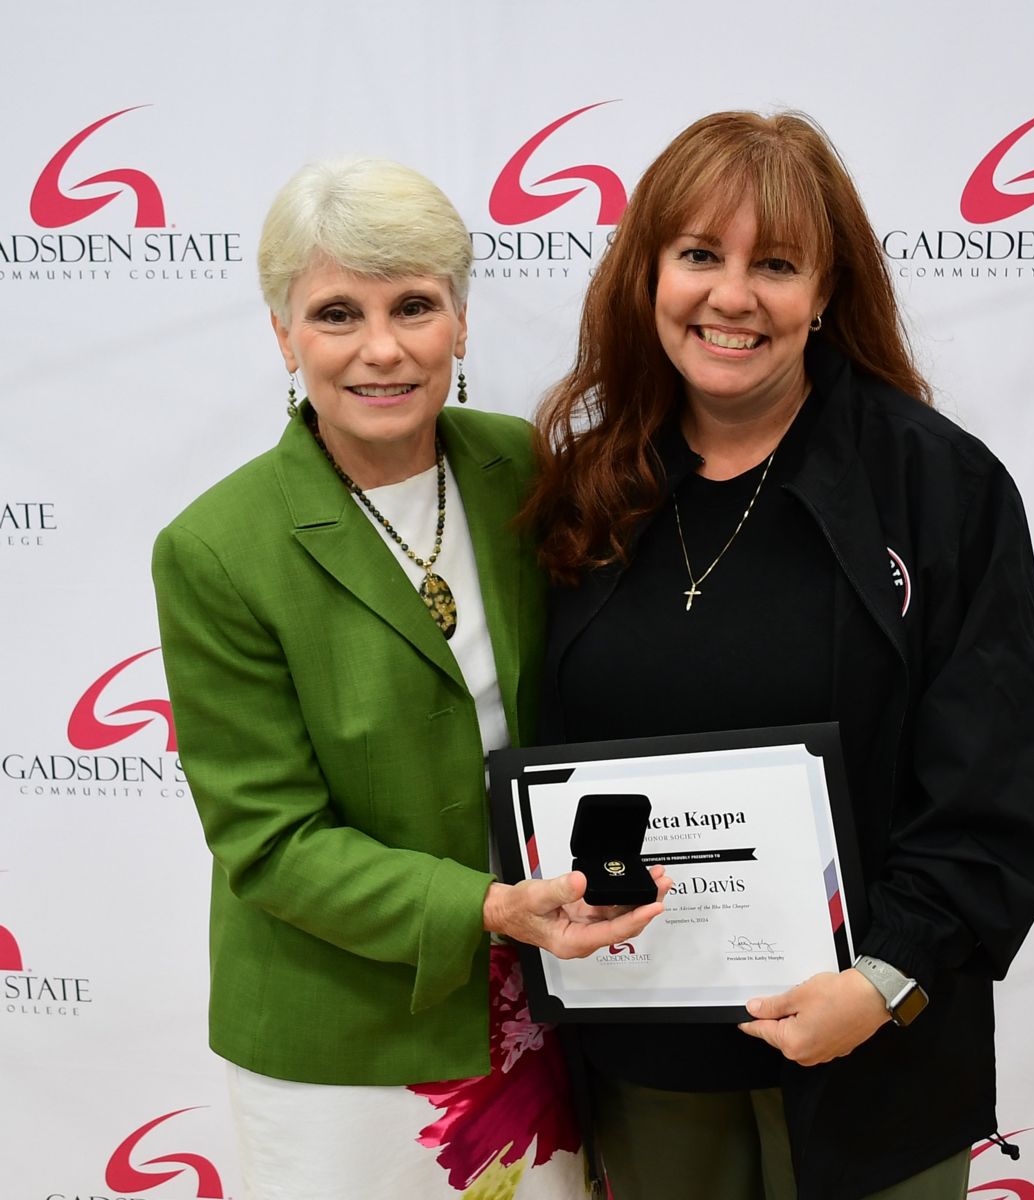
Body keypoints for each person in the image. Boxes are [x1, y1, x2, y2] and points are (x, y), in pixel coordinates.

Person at [526, 112, 1034, 1200]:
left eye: (774, 264)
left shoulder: (938, 490)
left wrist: (881, 982)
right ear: (648, 276)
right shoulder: (588, 489)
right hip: (650, 1055)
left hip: (874, 1051)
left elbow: (995, 789)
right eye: (698, 256)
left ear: (826, 292)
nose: (732, 296)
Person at [151, 158, 668, 1200]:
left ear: (462, 324)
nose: (380, 348)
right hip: (338, 1038)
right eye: (337, 313)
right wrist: (487, 907)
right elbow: (271, 842)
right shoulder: (215, 548)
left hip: (537, 1003)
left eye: (414, 306)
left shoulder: (516, 466)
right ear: (284, 334)